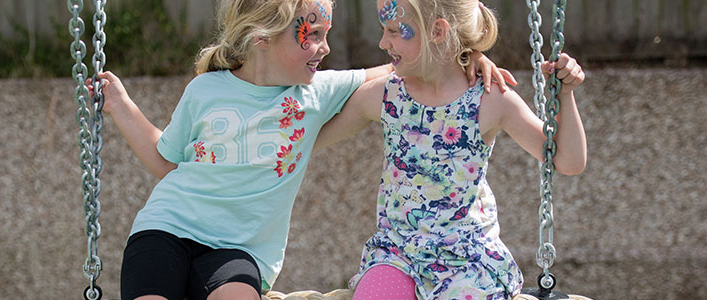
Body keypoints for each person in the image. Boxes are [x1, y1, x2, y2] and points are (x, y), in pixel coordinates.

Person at [88, 0, 514, 299]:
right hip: (167, 228)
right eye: (312, 36)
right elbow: (166, 161)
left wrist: (465, 55)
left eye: (326, 34)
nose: (325, 48)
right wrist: (122, 107)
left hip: (239, 251)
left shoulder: (317, 91)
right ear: (262, 39)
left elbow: (405, 62)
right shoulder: (206, 90)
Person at [313, 0, 587, 299]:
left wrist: (566, 93)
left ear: (438, 31)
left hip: (467, 260)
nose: (382, 42)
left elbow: (568, 161)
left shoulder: (490, 99)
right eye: (383, 30)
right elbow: (311, 139)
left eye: (393, 30)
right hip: (397, 254)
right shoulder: (385, 94)